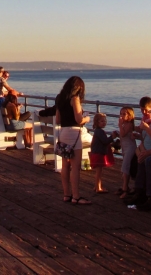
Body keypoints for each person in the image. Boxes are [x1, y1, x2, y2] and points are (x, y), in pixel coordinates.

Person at [55, 76, 91, 205]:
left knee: (65, 166)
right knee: (75, 167)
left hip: (63, 132)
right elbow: (79, 120)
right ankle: (76, 196)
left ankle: (66, 194)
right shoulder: (74, 99)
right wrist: (87, 118)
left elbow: (58, 120)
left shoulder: (60, 99)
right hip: (74, 133)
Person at [89, 112, 117, 193]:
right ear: (97, 122)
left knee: (98, 171)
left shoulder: (98, 131)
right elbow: (105, 141)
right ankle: (98, 187)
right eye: (102, 121)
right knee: (99, 171)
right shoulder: (99, 132)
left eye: (105, 121)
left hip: (96, 152)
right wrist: (112, 137)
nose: (104, 122)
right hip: (98, 154)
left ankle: (97, 186)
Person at [118, 107, 137, 198]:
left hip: (130, 147)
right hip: (124, 147)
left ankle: (125, 188)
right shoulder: (124, 124)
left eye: (124, 114)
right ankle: (125, 186)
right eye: (121, 114)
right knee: (126, 166)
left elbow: (123, 134)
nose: (121, 116)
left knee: (125, 167)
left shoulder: (129, 124)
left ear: (129, 116)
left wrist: (120, 125)